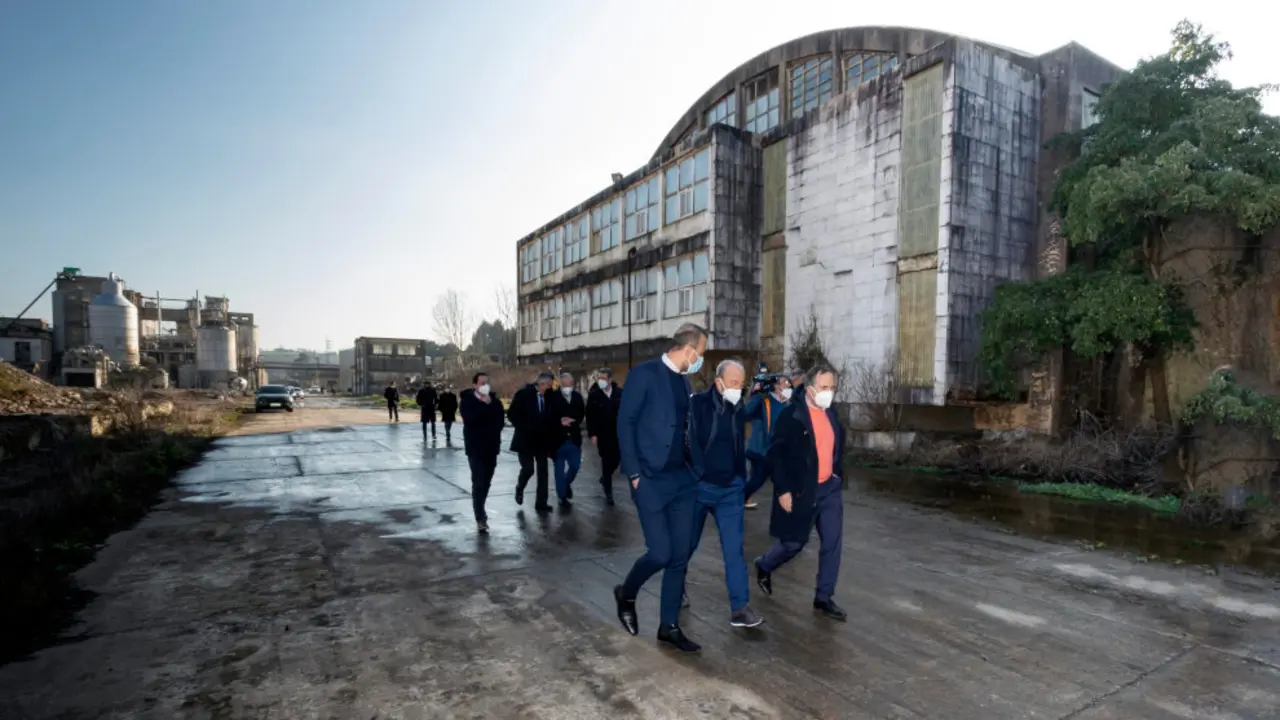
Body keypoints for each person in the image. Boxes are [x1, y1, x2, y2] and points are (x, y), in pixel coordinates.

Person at [613, 323, 707, 653]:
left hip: (683, 480)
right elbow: (625, 423)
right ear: (689, 350)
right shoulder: (644, 374)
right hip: (650, 479)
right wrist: (634, 473)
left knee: (680, 556)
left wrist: (696, 470)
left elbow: (686, 427)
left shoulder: (685, 381)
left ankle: (668, 626)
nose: (701, 361)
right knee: (661, 553)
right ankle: (626, 592)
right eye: (701, 354)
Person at [754, 365, 848, 622]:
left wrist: (837, 472)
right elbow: (776, 453)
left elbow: (837, 443)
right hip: (802, 490)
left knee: (832, 543)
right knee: (794, 543)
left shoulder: (832, 414)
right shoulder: (792, 415)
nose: (829, 393)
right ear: (809, 389)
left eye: (832, 388)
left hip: (829, 489)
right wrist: (783, 489)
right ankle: (765, 564)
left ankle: (824, 597)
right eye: (824, 388)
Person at [686, 359, 764, 628]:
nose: (737, 388)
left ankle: (740, 608)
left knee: (734, 550)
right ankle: (676, 586)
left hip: (730, 489)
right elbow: (689, 442)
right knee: (687, 544)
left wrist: (741, 480)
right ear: (718, 381)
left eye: (741, 384)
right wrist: (694, 476)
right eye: (733, 383)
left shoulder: (737, 407)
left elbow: (738, 446)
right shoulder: (697, 405)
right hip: (700, 487)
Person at [459, 372, 506, 534]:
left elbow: (500, 421)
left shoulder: (495, 401)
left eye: (487, 382)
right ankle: (480, 517)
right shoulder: (467, 401)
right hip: (475, 449)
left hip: (492, 448)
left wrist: (490, 406)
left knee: (486, 482)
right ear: (475, 385)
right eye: (481, 383)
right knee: (478, 483)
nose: (485, 385)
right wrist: (483, 406)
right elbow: (470, 420)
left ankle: (481, 506)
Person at [741, 374, 792, 509]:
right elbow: (745, 414)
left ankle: (742, 498)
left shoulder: (788, 404)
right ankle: (738, 498)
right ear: (775, 386)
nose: (787, 385)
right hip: (761, 449)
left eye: (788, 383)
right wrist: (757, 394)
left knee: (775, 479)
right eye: (784, 382)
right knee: (758, 479)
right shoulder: (764, 401)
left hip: (778, 449)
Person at [507, 371, 554, 513]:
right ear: (542, 383)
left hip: (541, 440)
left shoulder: (549, 396)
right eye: (549, 385)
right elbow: (511, 414)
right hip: (525, 440)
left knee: (543, 472)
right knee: (528, 469)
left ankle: (541, 503)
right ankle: (519, 487)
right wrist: (524, 428)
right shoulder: (524, 394)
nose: (550, 387)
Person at [546, 371, 585, 509]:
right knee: (559, 470)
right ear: (561, 384)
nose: (568, 387)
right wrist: (559, 421)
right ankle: (562, 496)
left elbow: (581, 413)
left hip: (574, 439)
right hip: (558, 440)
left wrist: (573, 420)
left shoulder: (577, 397)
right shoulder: (553, 398)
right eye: (566, 384)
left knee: (575, 466)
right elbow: (548, 417)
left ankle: (566, 483)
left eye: (571, 384)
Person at [586, 367, 623, 506]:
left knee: (617, 460)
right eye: (599, 378)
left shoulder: (619, 393)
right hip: (603, 434)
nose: (601, 381)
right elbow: (589, 416)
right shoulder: (594, 395)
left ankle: (605, 477)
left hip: (618, 433)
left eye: (603, 378)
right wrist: (593, 433)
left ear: (610, 379)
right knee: (606, 462)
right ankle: (608, 493)